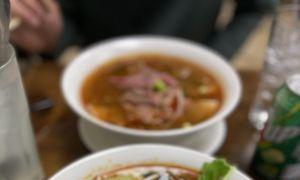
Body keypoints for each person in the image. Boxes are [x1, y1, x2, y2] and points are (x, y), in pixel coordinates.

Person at [10, 0, 277, 58]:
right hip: (95, 60)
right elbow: (66, 17)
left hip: (194, 53)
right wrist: (54, 37)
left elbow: (257, 6)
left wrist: (213, 57)